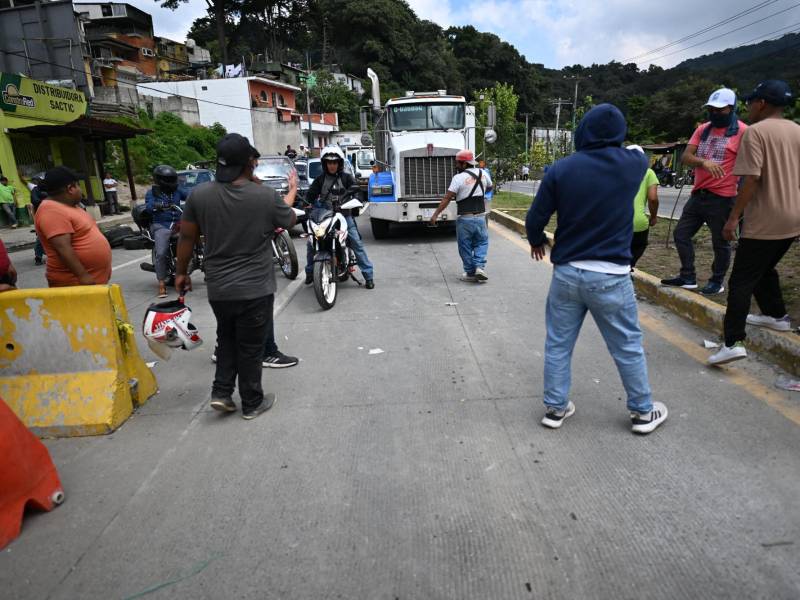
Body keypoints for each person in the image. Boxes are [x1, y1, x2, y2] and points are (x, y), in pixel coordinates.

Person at [526, 103, 668, 435]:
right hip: (612, 276)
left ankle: (555, 409)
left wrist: (536, 240)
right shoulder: (633, 164)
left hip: (567, 272)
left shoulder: (560, 169)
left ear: (581, 132)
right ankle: (642, 413)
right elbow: (634, 148)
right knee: (627, 345)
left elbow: (535, 217)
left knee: (559, 343)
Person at [175, 133, 297, 420]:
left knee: (227, 339)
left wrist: (181, 272)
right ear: (249, 164)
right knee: (251, 348)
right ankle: (252, 402)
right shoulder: (264, 196)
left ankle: (221, 394)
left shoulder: (199, 195)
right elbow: (289, 219)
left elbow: (186, 237)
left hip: (219, 287)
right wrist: (272, 188)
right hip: (255, 288)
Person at [708, 80, 800, 365]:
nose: (746, 107)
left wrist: (733, 218)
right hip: (793, 219)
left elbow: (751, 179)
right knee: (764, 268)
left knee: (741, 281)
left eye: (750, 102)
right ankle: (776, 316)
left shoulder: (756, 133)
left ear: (762, 103)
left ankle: (732, 341)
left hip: (764, 220)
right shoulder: (798, 130)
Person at [661, 88, 748, 295]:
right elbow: (686, 157)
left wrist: (741, 203)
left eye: (720, 110)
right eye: (711, 109)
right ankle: (687, 276)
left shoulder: (744, 132)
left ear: (732, 108)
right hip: (699, 194)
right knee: (681, 234)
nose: (715, 113)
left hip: (724, 197)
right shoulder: (703, 129)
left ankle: (717, 282)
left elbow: (750, 167)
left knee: (720, 242)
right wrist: (703, 162)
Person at [303, 145, 374, 289]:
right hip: (324, 216)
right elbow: (309, 196)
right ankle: (310, 272)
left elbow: (358, 193)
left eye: (335, 162)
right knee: (312, 243)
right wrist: (305, 204)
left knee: (356, 242)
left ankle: (368, 275)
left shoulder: (347, 178)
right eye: (329, 162)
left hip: (343, 216)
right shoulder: (320, 180)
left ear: (339, 163)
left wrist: (355, 201)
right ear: (325, 164)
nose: (332, 165)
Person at [35, 166, 112, 287]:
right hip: (75, 284)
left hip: (93, 283)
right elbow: (63, 248)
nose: (81, 190)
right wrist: (83, 276)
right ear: (70, 188)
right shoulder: (51, 211)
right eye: (78, 186)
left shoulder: (70, 206)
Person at [430, 149, 493, 282]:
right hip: (481, 216)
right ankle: (479, 267)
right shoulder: (483, 173)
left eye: (458, 163)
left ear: (465, 164)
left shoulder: (458, 178)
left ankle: (470, 272)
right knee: (482, 242)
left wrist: (435, 214)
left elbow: (447, 198)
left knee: (465, 246)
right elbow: (490, 187)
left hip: (465, 218)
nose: (456, 165)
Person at [145, 165, 188, 298]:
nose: (171, 182)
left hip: (178, 224)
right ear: (160, 180)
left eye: (172, 179)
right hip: (161, 225)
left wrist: (200, 197)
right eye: (168, 179)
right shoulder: (152, 192)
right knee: (162, 253)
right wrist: (156, 205)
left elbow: (190, 194)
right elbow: (148, 206)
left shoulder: (177, 191)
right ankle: (162, 284)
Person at [627, 145, 659, 270]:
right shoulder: (648, 172)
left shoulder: (614, 172)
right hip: (638, 223)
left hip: (615, 223)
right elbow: (653, 198)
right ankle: (628, 267)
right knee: (638, 246)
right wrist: (654, 217)